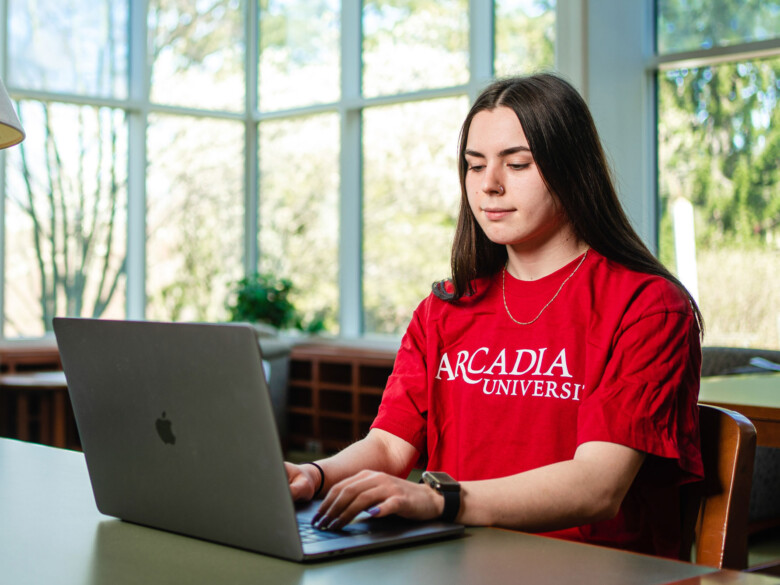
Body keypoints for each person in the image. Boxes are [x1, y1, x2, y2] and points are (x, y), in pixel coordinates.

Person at [285, 72, 704, 559]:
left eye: (518, 163)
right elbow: (389, 446)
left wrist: (440, 500)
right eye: (474, 165)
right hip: (455, 558)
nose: (489, 185)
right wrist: (314, 475)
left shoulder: (648, 306)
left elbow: (597, 486)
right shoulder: (444, 309)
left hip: (592, 568)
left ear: (572, 169)